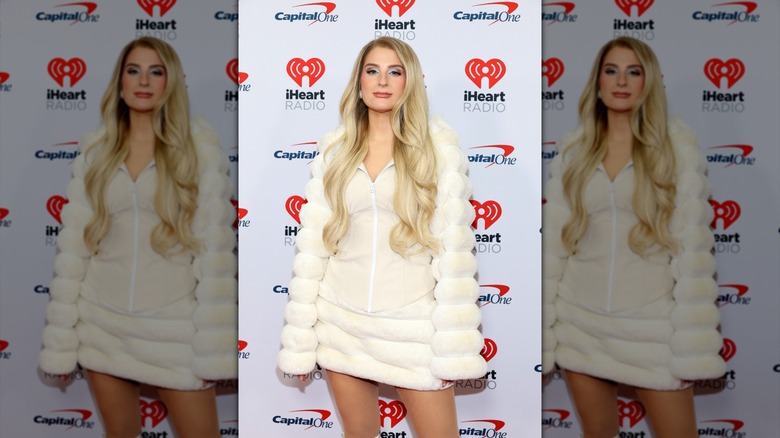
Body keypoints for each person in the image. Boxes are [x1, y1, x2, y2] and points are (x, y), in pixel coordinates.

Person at [277, 36, 486, 438]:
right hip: (341, 322)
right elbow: (314, 250)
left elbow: (454, 254)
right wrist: (301, 337)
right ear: (359, 82)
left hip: (412, 327)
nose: (382, 81)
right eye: (372, 71)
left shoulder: (438, 151)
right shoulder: (335, 152)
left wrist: (453, 344)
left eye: (395, 71)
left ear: (410, 82)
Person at [38, 36, 237, 438]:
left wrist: (215, 348)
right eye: (133, 70)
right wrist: (61, 340)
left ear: (171, 82)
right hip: (102, 323)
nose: (143, 81)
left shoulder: (199, 150)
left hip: (173, 329)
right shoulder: (97, 151)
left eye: (155, 71)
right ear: (120, 81)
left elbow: (214, 257)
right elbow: (75, 250)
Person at [542, 36, 725, 438]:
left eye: (633, 71)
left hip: (651, 327)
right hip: (581, 323)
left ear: (649, 82)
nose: (621, 81)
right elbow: (554, 250)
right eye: (611, 70)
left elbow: (692, 254)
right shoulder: (574, 152)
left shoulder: (676, 151)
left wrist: (692, 338)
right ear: (598, 81)